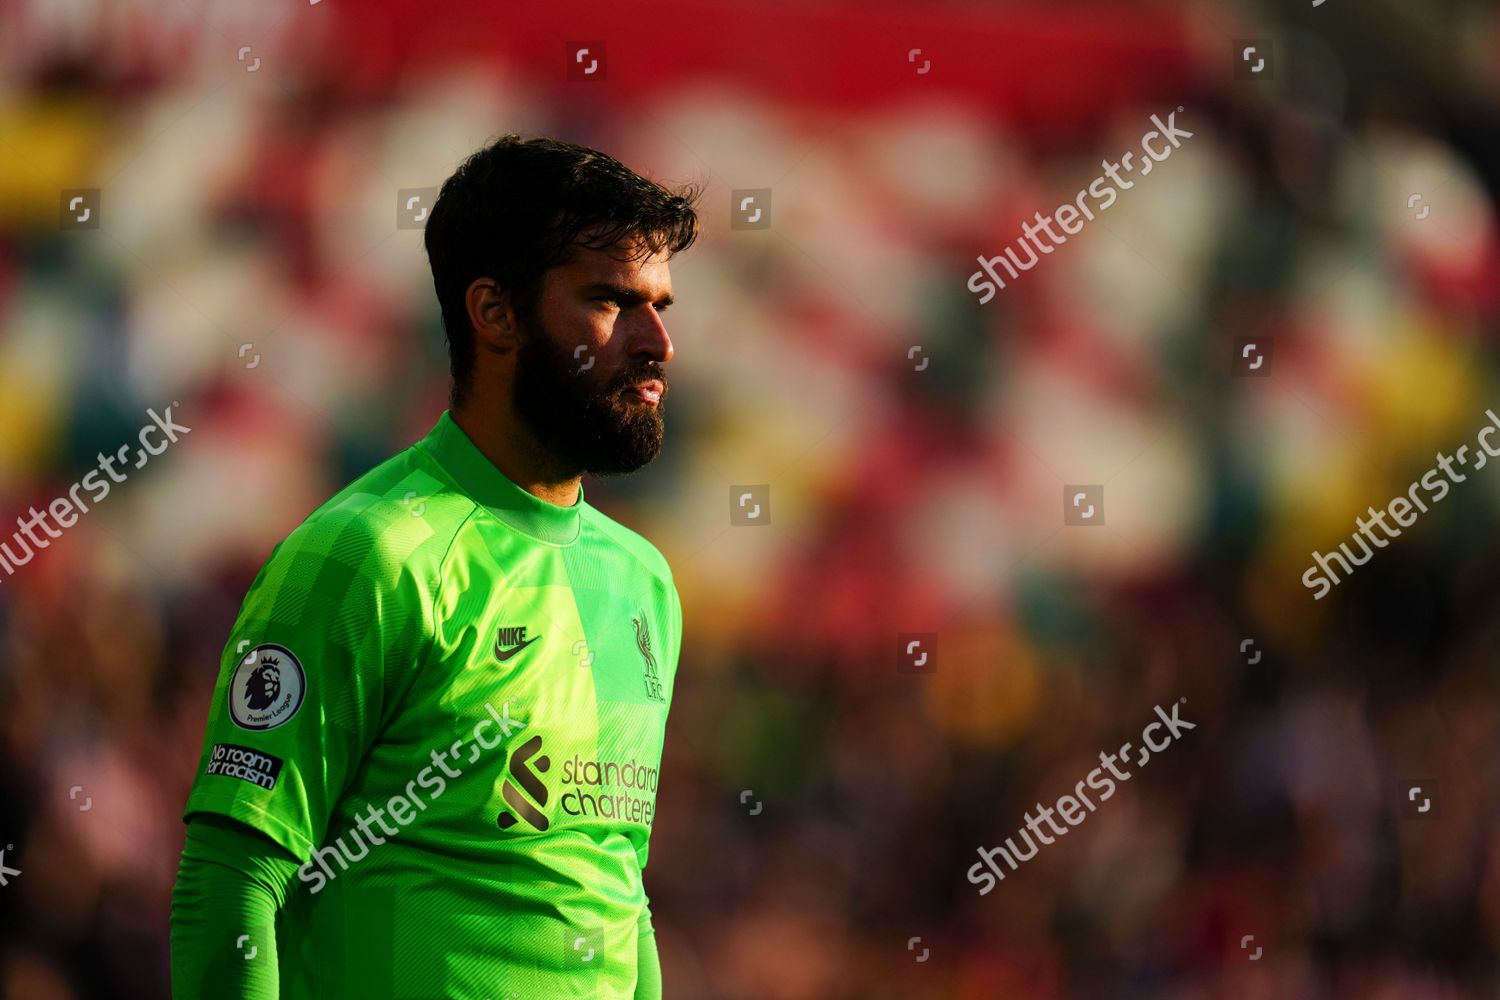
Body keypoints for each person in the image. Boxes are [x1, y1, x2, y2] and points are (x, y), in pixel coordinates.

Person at [170, 134, 700, 999]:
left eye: (661, 305)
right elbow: (230, 879)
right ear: (494, 313)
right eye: (610, 301)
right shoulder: (364, 556)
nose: (658, 343)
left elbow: (615, 892)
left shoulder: (643, 582)